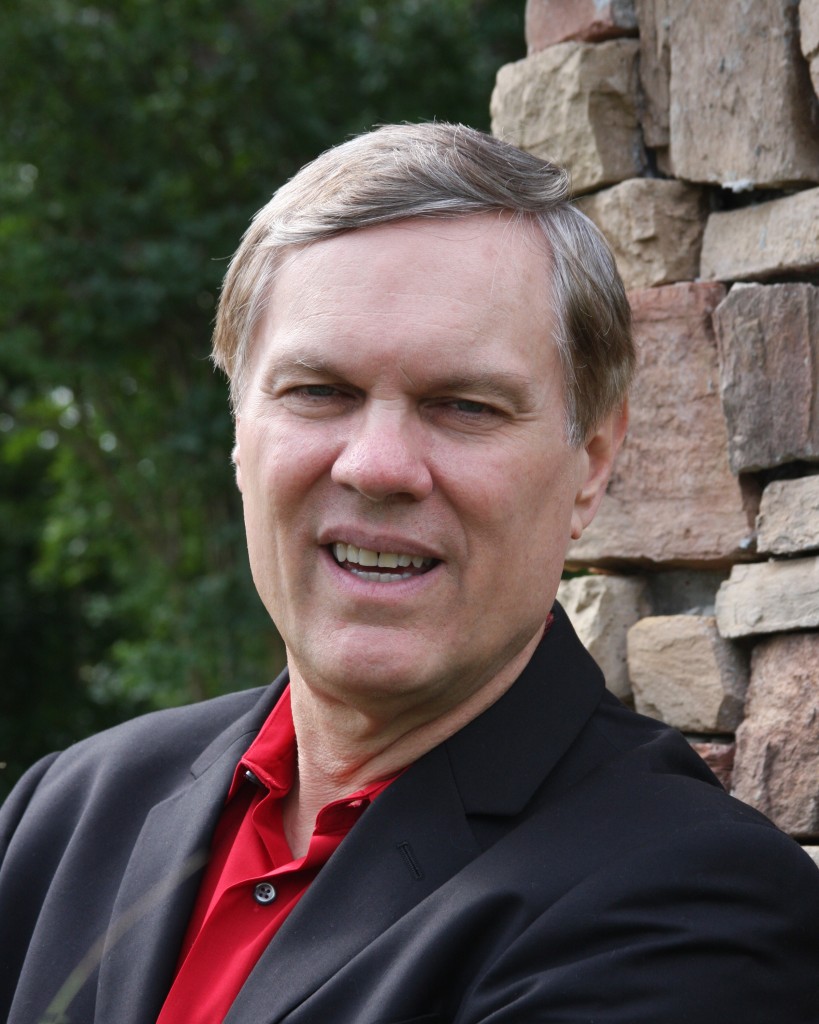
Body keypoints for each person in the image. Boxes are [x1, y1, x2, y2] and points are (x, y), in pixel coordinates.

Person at [1, 123, 817, 1024]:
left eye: (463, 406)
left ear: (589, 461)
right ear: (239, 434)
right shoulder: (68, 814)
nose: (377, 465)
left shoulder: (695, 910)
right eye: (319, 392)